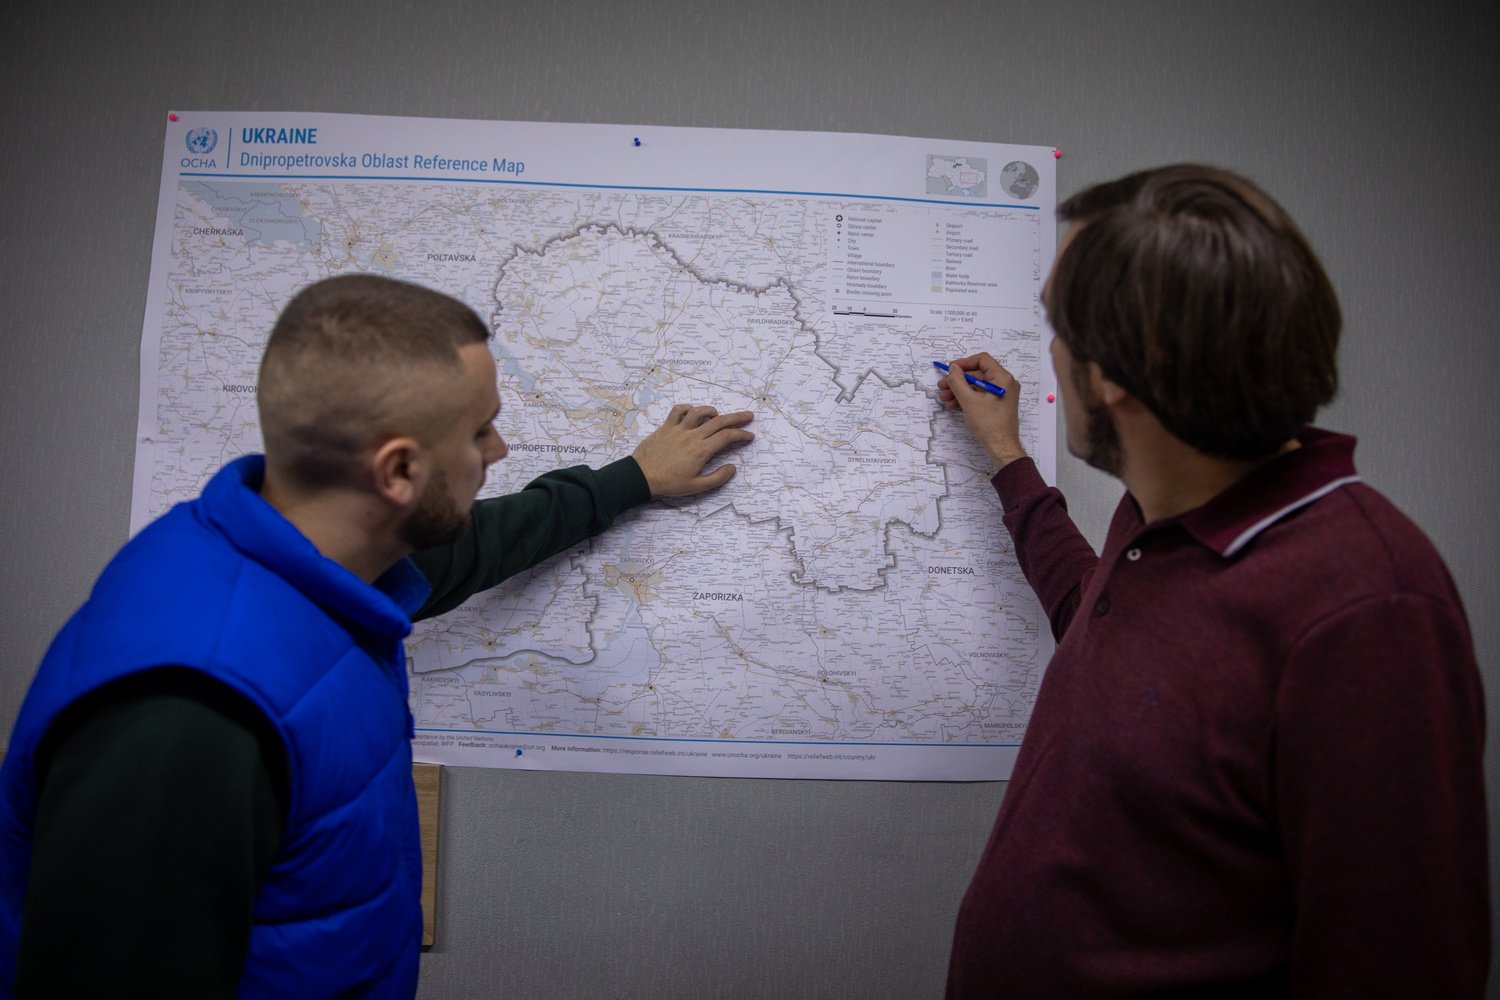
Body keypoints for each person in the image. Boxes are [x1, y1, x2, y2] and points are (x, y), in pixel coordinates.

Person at [0, 274, 755, 998]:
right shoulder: (189, 710)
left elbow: (471, 546)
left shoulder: (300, 560)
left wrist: (632, 478)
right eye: (481, 430)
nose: (498, 452)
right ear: (397, 471)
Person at [936, 164, 1488, 998]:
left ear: (1117, 373)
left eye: (1057, 325)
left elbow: (1404, 963)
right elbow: (1092, 620)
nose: (1046, 348)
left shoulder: (1369, 608)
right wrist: (1007, 456)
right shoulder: (1167, 514)